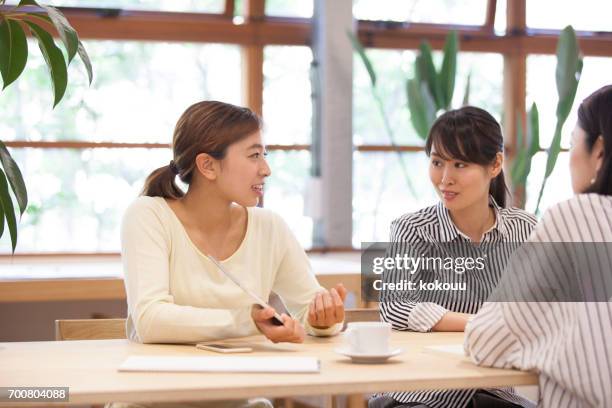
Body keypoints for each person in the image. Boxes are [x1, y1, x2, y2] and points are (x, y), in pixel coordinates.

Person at [116, 101, 346, 408]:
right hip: (150, 402)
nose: (266, 169)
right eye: (254, 155)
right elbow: (150, 320)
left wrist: (324, 318)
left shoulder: (269, 227)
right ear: (207, 165)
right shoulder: (148, 215)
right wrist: (249, 322)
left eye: (264, 155)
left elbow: (309, 311)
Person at [373, 107, 537, 408]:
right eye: (437, 162)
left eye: (460, 164)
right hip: (421, 395)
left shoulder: (524, 229)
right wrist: (479, 323)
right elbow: (395, 307)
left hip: (494, 392)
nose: (445, 178)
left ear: (496, 164)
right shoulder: (412, 229)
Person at [465, 85, 612, 407]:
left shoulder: (574, 217)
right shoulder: (411, 227)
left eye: (572, 142)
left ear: (599, 152)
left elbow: (486, 341)